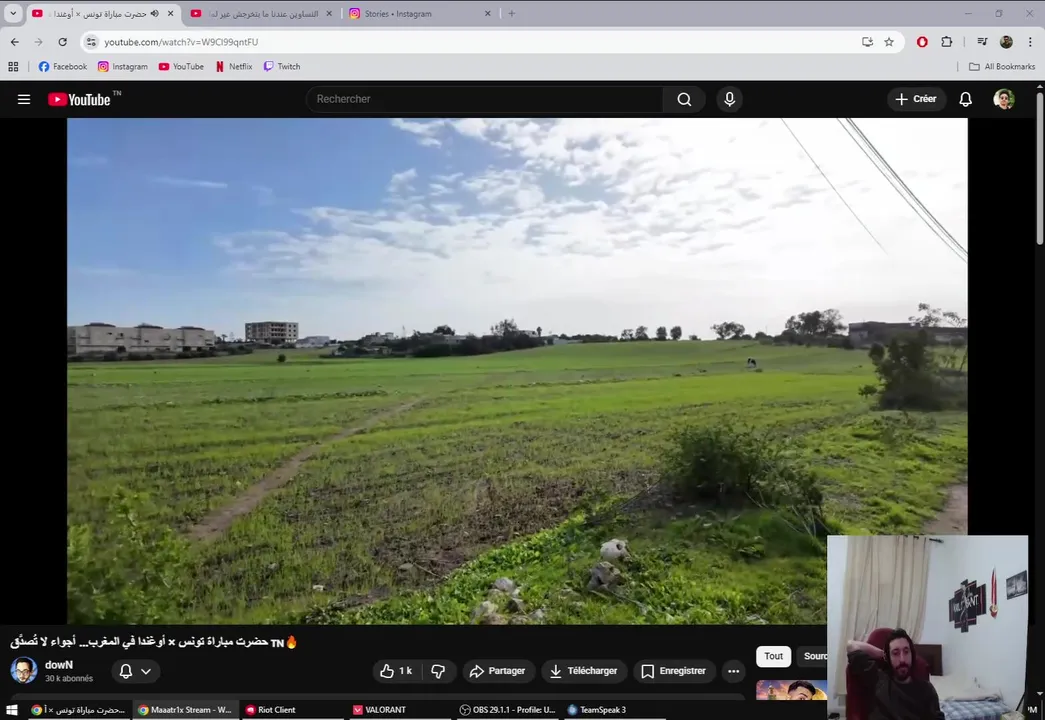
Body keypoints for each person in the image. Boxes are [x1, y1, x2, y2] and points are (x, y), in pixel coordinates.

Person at [847, 629, 944, 720]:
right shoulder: (877, 679)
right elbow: (851, 645)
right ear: (888, 658)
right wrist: (883, 654)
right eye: (895, 653)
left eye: (906, 652)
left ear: (912, 655)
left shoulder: (926, 690)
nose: (902, 659)